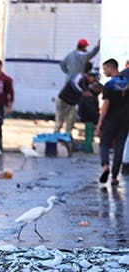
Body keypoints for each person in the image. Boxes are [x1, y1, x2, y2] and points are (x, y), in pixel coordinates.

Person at [95, 58, 129, 187]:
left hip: (110, 120)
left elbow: (106, 104)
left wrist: (100, 122)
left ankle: (105, 167)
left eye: (105, 69)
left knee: (104, 144)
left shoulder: (109, 85)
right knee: (119, 148)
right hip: (125, 121)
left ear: (111, 68)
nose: (104, 72)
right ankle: (114, 177)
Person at [53, 71, 97, 138]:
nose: (93, 81)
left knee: (71, 121)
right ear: (90, 76)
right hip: (63, 101)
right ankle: (55, 136)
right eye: (94, 79)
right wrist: (82, 92)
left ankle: (67, 137)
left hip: (72, 103)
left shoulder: (88, 84)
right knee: (59, 121)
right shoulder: (79, 76)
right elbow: (74, 83)